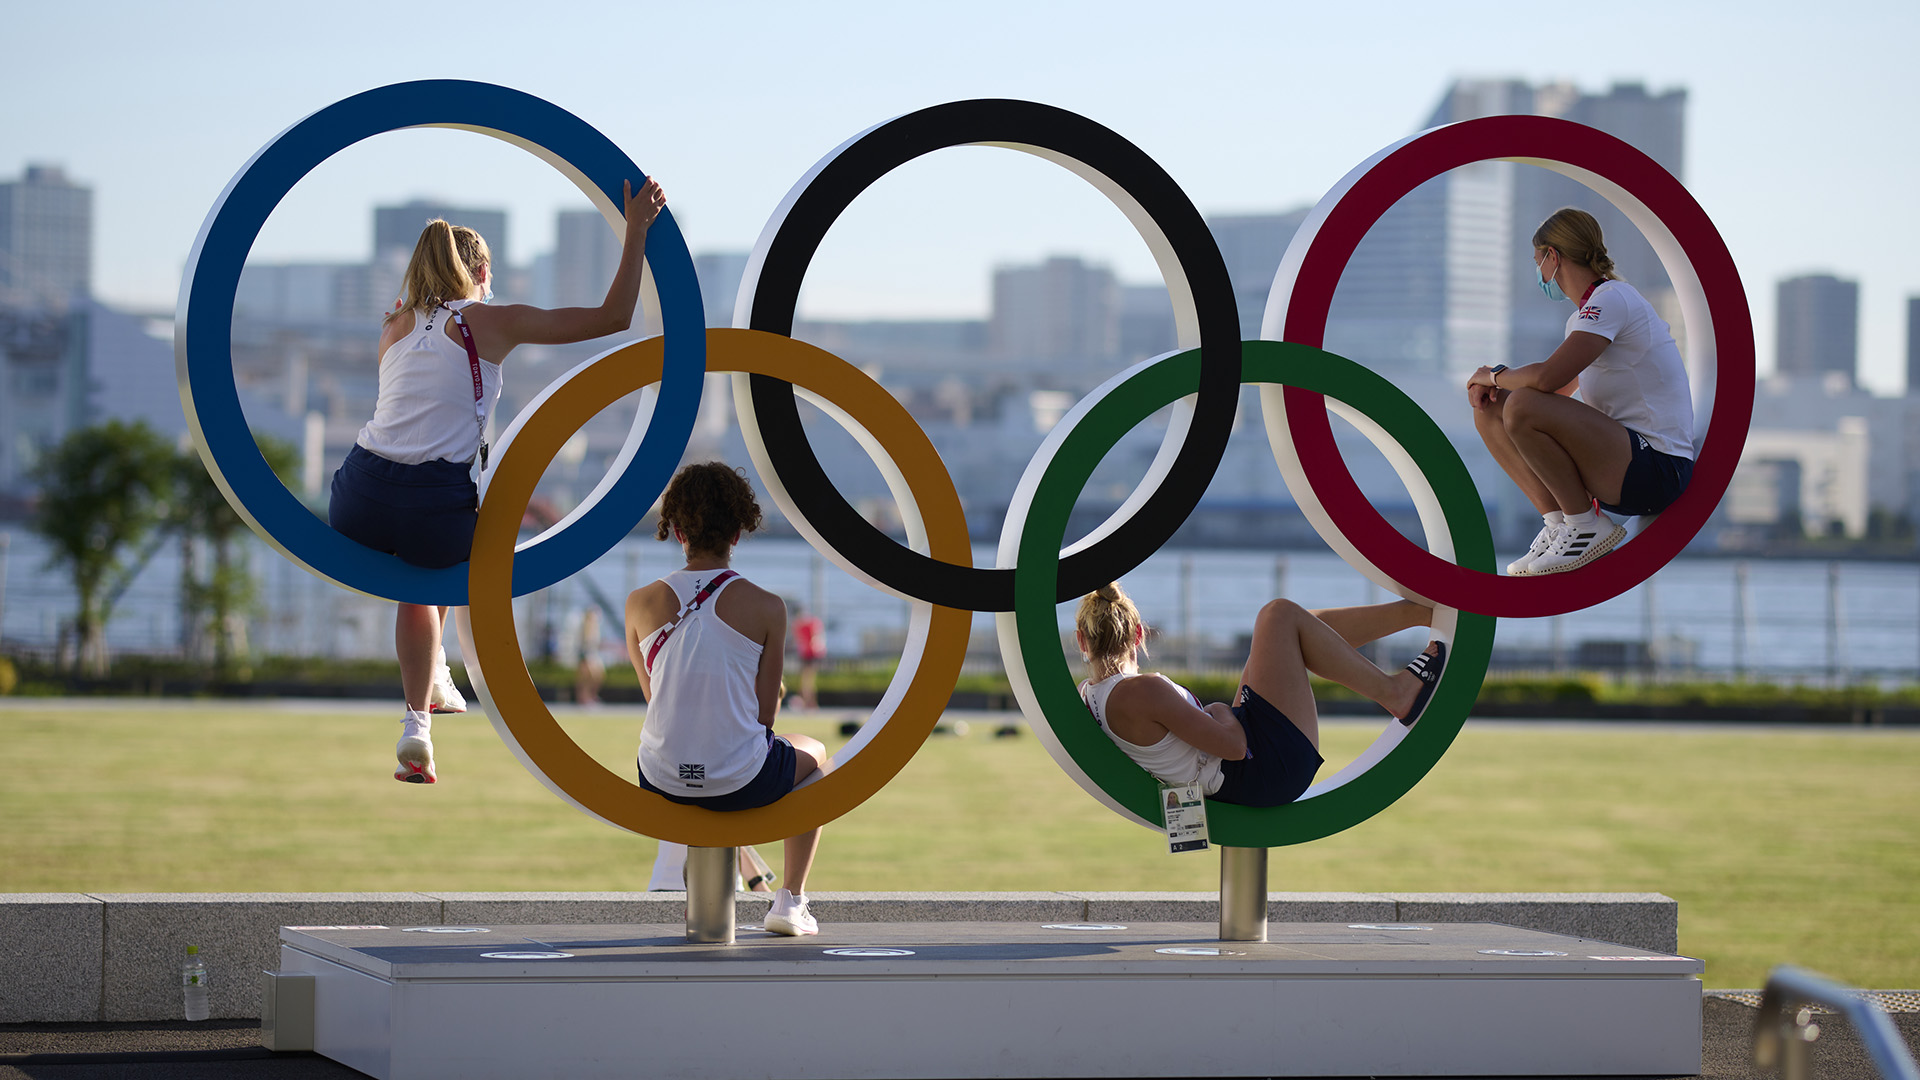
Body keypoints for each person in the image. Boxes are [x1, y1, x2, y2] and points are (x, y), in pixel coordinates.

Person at [328, 177, 667, 785]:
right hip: (432, 502)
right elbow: (614, 316)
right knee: (436, 556)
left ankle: (421, 713)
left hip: (358, 497)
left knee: (418, 575)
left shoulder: (395, 326)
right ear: (480, 269)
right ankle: (420, 712)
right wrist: (636, 228)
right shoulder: (491, 319)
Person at [625, 462, 828, 936]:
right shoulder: (767, 606)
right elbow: (763, 717)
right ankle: (790, 900)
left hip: (658, 778)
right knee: (816, 755)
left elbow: (656, 696)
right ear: (738, 531)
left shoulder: (639, 601)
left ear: (676, 530)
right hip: (741, 781)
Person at [1467, 207, 1696, 576]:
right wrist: (1495, 394)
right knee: (1494, 411)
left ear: (1553, 258)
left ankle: (1585, 525)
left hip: (1658, 467)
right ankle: (1560, 524)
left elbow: (1545, 380)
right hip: (1620, 466)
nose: (1539, 273)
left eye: (1538, 261)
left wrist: (1492, 376)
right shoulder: (1584, 317)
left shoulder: (1613, 299)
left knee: (1521, 403)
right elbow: (1556, 390)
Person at [1075, 583, 1444, 809]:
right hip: (1259, 770)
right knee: (1277, 615)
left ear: (1081, 640)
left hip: (1240, 770)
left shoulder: (1089, 697)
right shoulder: (1142, 690)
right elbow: (1233, 746)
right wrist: (1219, 709)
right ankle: (1394, 692)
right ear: (1139, 635)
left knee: (1278, 636)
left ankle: (1416, 611)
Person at [792, 606, 825, 710]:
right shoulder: (810, 623)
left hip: (809, 653)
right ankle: (809, 703)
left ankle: (809, 703)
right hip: (809, 653)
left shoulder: (801, 624)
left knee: (806, 680)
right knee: (808, 680)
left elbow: (811, 638)